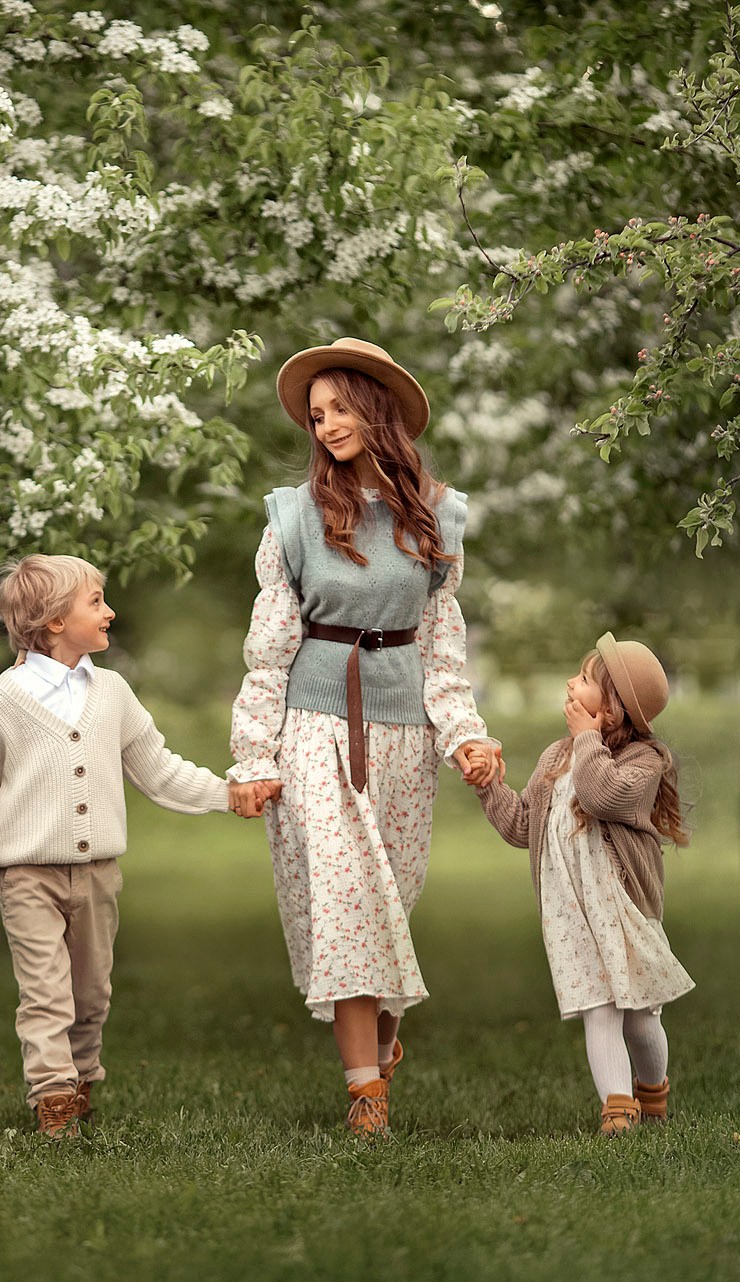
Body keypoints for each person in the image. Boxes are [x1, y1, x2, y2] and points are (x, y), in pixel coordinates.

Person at [229, 337, 501, 1138]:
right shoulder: (294, 517)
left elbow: (443, 650)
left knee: (389, 904)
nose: (326, 426)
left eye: (340, 408)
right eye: (316, 416)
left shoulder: (438, 517)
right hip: (313, 727)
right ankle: (366, 1100)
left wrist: (466, 737)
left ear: (377, 409)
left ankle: (381, 1043)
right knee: (345, 902)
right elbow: (270, 647)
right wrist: (252, 752)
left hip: (402, 735)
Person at [0, 554, 279, 1137]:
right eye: (96, 602)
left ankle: (83, 1076)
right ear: (53, 621)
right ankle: (53, 1097)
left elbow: (159, 770)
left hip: (97, 875)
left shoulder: (112, 693)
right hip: (28, 878)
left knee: (90, 993)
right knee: (45, 993)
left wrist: (228, 792)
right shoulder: (5, 699)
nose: (109, 611)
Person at [467, 633, 695, 1136]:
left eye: (587, 679)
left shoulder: (643, 762)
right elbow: (524, 827)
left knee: (637, 1018)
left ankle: (652, 1089)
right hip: (571, 912)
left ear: (612, 709)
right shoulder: (555, 757)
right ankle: (617, 1109)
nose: (572, 683)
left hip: (621, 910)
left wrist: (587, 741)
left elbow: (602, 796)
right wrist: (490, 786)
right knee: (598, 1007)